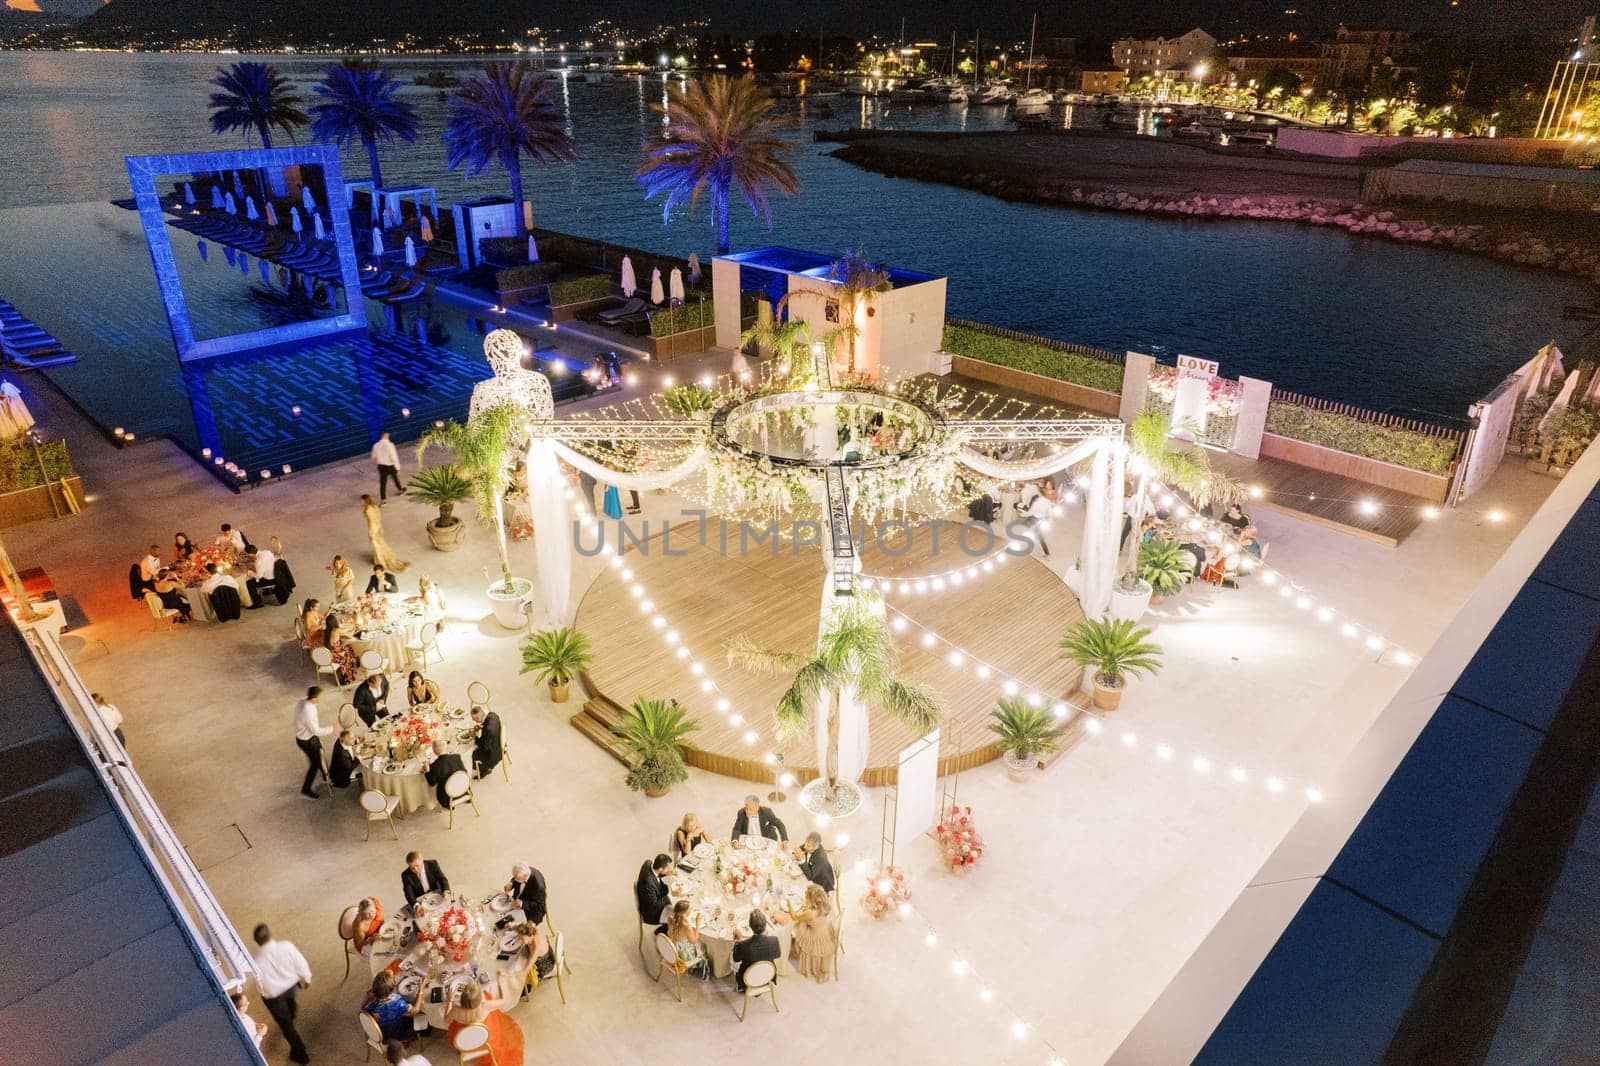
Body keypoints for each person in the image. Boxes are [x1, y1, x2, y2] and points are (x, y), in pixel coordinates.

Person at [251, 923, 312, 1064]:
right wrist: (307, 978)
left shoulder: (256, 962)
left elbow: (262, 986)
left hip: (274, 997)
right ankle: (292, 1013)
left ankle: (301, 1055)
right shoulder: (287, 946)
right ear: (269, 934)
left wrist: (265, 995)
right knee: (291, 1005)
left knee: (286, 1026)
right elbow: (300, 962)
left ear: (257, 942)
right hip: (291, 987)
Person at [445, 981, 524, 1066]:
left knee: (455, 1027)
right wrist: (501, 981)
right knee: (494, 1014)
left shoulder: (456, 1010)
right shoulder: (485, 1006)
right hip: (484, 1040)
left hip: (463, 1042)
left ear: (462, 998)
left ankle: (464, 1049)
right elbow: (504, 1001)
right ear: (479, 998)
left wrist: (450, 1000)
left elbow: (446, 1020)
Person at [787, 883, 838, 982]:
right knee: (801, 923)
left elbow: (794, 916)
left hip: (816, 936)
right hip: (825, 931)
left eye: (806, 896)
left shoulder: (810, 913)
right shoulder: (824, 904)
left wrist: (789, 904)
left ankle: (795, 949)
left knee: (798, 925)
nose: (805, 897)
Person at [293, 687, 333, 799]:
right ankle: (305, 790)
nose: (321, 698)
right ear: (315, 698)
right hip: (307, 741)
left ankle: (326, 776)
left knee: (320, 754)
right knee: (314, 764)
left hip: (308, 738)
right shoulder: (307, 711)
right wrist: (332, 728)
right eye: (320, 697)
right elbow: (316, 730)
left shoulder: (303, 701)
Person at [731, 909, 782, 992]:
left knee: (732, 957)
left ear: (750, 926)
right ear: (765, 925)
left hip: (747, 979)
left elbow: (735, 959)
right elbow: (777, 955)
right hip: (768, 975)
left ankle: (742, 987)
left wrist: (738, 941)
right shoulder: (774, 940)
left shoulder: (743, 945)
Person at [363, 971, 420, 1042]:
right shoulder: (396, 1001)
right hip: (392, 1036)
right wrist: (421, 992)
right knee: (420, 1015)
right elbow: (415, 1011)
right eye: (394, 979)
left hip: (375, 1031)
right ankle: (408, 1038)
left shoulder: (369, 994)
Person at [362, 494, 407, 572]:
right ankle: (385, 558)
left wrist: (370, 532)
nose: (361, 503)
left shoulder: (367, 510)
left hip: (373, 529)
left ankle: (380, 562)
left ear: (365, 501)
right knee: (382, 544)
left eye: (362, 501)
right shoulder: (375, 507)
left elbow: (371, 522)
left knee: (376, 546)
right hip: (379, 527)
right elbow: (378, 518)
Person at [663, 899, 706, 971]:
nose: (691, 909)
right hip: (683, 954)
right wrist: (697, 923)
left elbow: (671, 933)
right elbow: (694, 941)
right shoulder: (687, 927)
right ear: (686, 912)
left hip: (673, 947)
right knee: (702, 945)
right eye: (690, 908)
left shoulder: (670, 919)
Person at [423, 739, 466, 809]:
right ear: (445, 747)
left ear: (434, 751)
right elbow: (464, 771)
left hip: (447, 797)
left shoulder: (435, 765)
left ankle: (449, 805)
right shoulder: (457, 757)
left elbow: (431, 783)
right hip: (464, 788)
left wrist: (427, 770)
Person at [635, 854, 673, 926]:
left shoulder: (648, 863)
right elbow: (653, 907)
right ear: (660, 869)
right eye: (667, 868)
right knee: (678, 914)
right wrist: (670, 895)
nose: (669, 869)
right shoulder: (648, 884)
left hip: (652, 896)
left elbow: (657, 873)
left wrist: (668, 872)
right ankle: (664, 930)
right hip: (651, 914)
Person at [469, 704, 503, 778]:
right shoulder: (492, 715)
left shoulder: (489, 730)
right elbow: (487, 726)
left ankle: (486, 769)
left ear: (480, 716)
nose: (473, 720)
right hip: (497, 741)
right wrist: (481, 727)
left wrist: (475, 737)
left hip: (493, 752)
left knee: (469, 757)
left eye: (475, 719)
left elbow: (485, 747)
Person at [322, 618, 358, 685]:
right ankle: (347, 675)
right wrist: (353, 631)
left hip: (329, 654)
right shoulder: (336, 630)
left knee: (348, 648)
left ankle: (347, 671)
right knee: (349, 651)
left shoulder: (325, 631)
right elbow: (349, 636)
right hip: (336, 656)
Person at [372, 430, 405, 502]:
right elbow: (394, 457)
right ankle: (400, 490)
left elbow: (373, 456)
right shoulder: (390, 445)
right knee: (395, 478)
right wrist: (398, 468)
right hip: (390, 465)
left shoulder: (376, 445)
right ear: (386, 435)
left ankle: (383, 499)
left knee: (383, 483)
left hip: (381, 466)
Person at [245, 540, 277, 608]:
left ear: (250, 554)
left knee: (249, 583)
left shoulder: (258, 561)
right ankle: (268, 591)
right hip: (276, 574)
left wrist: (249, 572)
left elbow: (259, 576)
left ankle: (258, 602)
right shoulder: (267, 552)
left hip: (270, 579)